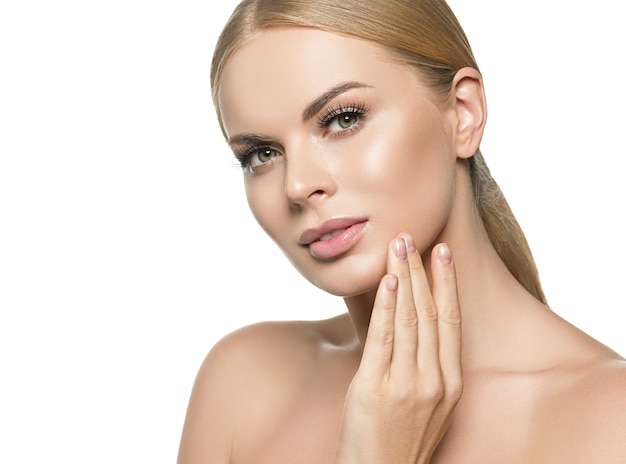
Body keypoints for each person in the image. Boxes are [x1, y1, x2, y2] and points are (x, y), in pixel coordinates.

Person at [177, 1, 626, 462]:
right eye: (261, 154)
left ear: (463, 113)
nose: (297, 185)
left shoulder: (612, 421)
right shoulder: (243, 384)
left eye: (343, 118)